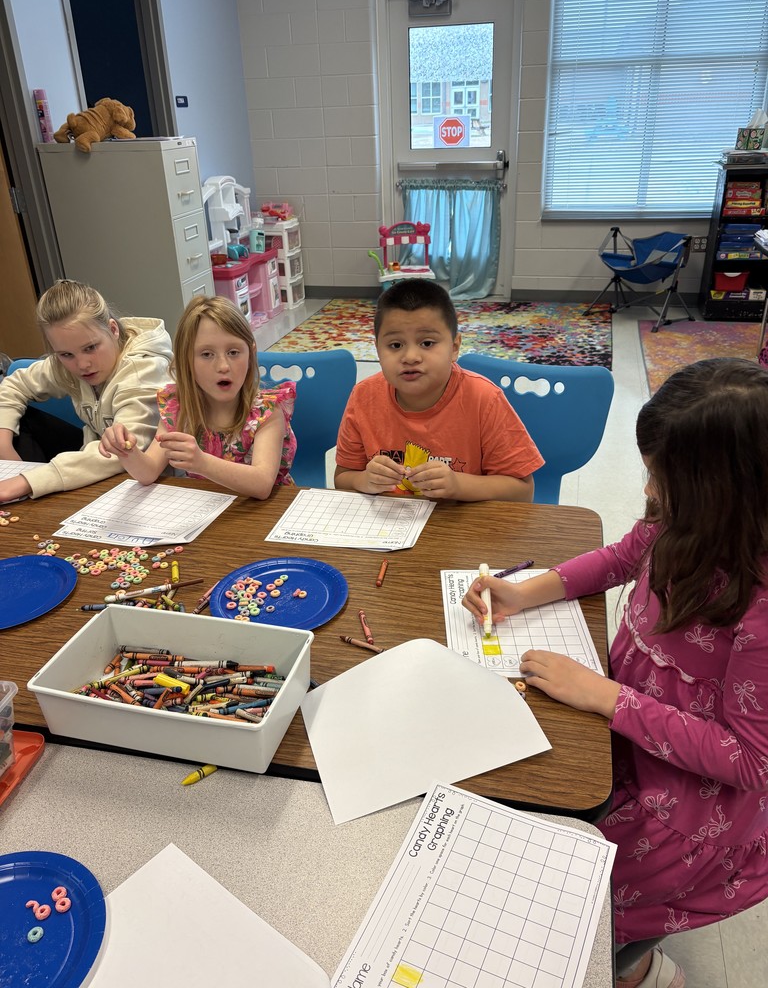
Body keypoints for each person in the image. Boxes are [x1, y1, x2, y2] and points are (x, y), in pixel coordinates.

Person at [463, 357, 768, 988]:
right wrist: (527, 591)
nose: (650, 492)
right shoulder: (680, 521)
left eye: (664, 478)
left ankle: (633, 967)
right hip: (623, 742)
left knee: (590, 914)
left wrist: (608, 697)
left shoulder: (759, 606)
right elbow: (623, 555)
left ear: (727, 493)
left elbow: (747, 761)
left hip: (681, 810)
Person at [334, 279, 543, 501]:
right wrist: (363, 480)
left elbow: (523, 491)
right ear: (377, 350)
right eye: (395, 345)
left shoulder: (484, 399)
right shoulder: (364, 396)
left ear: (454, 347)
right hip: (389, 526)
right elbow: (342, 477)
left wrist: (458, 485)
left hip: (461, 526)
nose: (410, 357)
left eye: (427, 343)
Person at [100, 294, 296, 499]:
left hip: (267, 513)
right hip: (207, 509)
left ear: (251, 353)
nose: (223, 366)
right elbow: (148, 472)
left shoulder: (266, 412)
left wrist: (202, 463)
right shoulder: (178, 409)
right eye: (207, 354)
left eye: (234, 352)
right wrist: (126, 451)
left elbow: (262, 484)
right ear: (187, 361)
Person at [0, 279, 172, 502]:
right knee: (18, 425)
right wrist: (3, 442)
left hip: (148, 485)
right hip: (93, 461)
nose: (82, 365)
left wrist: (27, 481)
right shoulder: (66, 365)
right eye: (65, 354)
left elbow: (122, 452)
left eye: (90, 348)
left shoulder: (142, 372)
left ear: (112, 329)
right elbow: (15, 384)